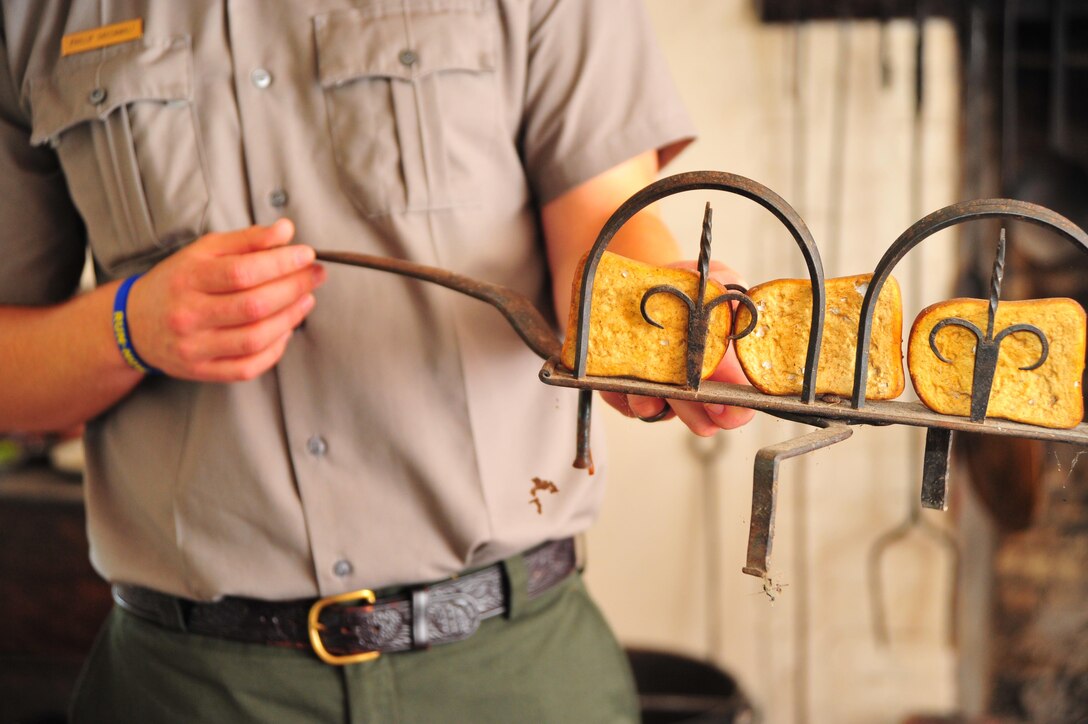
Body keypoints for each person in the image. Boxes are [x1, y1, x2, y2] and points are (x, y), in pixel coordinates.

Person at [0, 2, 752, 721]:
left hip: (508, 673)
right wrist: (127, 328)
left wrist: (662, 325)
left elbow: (607, 222)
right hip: (191, 688)